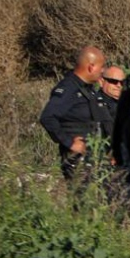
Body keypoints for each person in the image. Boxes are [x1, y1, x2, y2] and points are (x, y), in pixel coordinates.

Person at [39, 46, 114, 180]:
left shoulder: (89, 90)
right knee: (84, 199)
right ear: (91, 67)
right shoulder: (68, 89)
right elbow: (48, 117)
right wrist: (70, 143)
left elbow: (103, 121)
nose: (103, 71)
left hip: (97, 159)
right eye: (101, 67)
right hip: (78, 163)